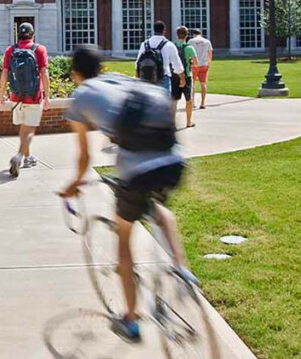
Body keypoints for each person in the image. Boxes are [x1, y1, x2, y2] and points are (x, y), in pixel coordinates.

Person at [59, 45, 198, 343]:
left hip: (137, 168)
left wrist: (72, 185)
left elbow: (85, 158)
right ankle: (180, 267)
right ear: (102, 68)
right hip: (173, 158)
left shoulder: (81, 95)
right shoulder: (123, 80)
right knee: (160, 209)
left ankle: (131, 319)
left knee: (123, 235)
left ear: (75, 73)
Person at [0, 22, 51, 177]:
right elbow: (44, 73)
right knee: (30, 129)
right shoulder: (39, 49)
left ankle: (28, 157)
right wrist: (47, 96)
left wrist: (2, 94)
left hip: (16, 96)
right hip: (34, 97)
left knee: (23, 128)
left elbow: (5, 73)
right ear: (33, 35)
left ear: (18, 35)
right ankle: (19, 157)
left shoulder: (11, 50)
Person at [134, 21, 185, 95]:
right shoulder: (169, 45)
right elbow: (177, 64)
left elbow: (138, 62)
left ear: (154, 30)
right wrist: (182, 78)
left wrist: (137, 76)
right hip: (163, 77)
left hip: (146, 77)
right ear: (164, 30)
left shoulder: (145, 44)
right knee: (163, 104)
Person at [172, 26, 197, 129]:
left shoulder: (172, 46)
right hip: (186, 76)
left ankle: (172, 123)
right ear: (187, 35)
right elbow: (196, 63)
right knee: (188, 100)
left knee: (174, 100)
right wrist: (190, 61)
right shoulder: (189, 48)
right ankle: (188, 122)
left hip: (174, 76)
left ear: (177, 35)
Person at [188, 28, 214, 109]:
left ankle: (193, 102)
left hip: (194, 64)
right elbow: (210, 53)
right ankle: (203, 103)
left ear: (193, 34)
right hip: (204, 64)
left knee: (192, 84)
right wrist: (209, 63)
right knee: (203, 84)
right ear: (201, 34)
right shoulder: (207, 41)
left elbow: (188, 53)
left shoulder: (191, 41)